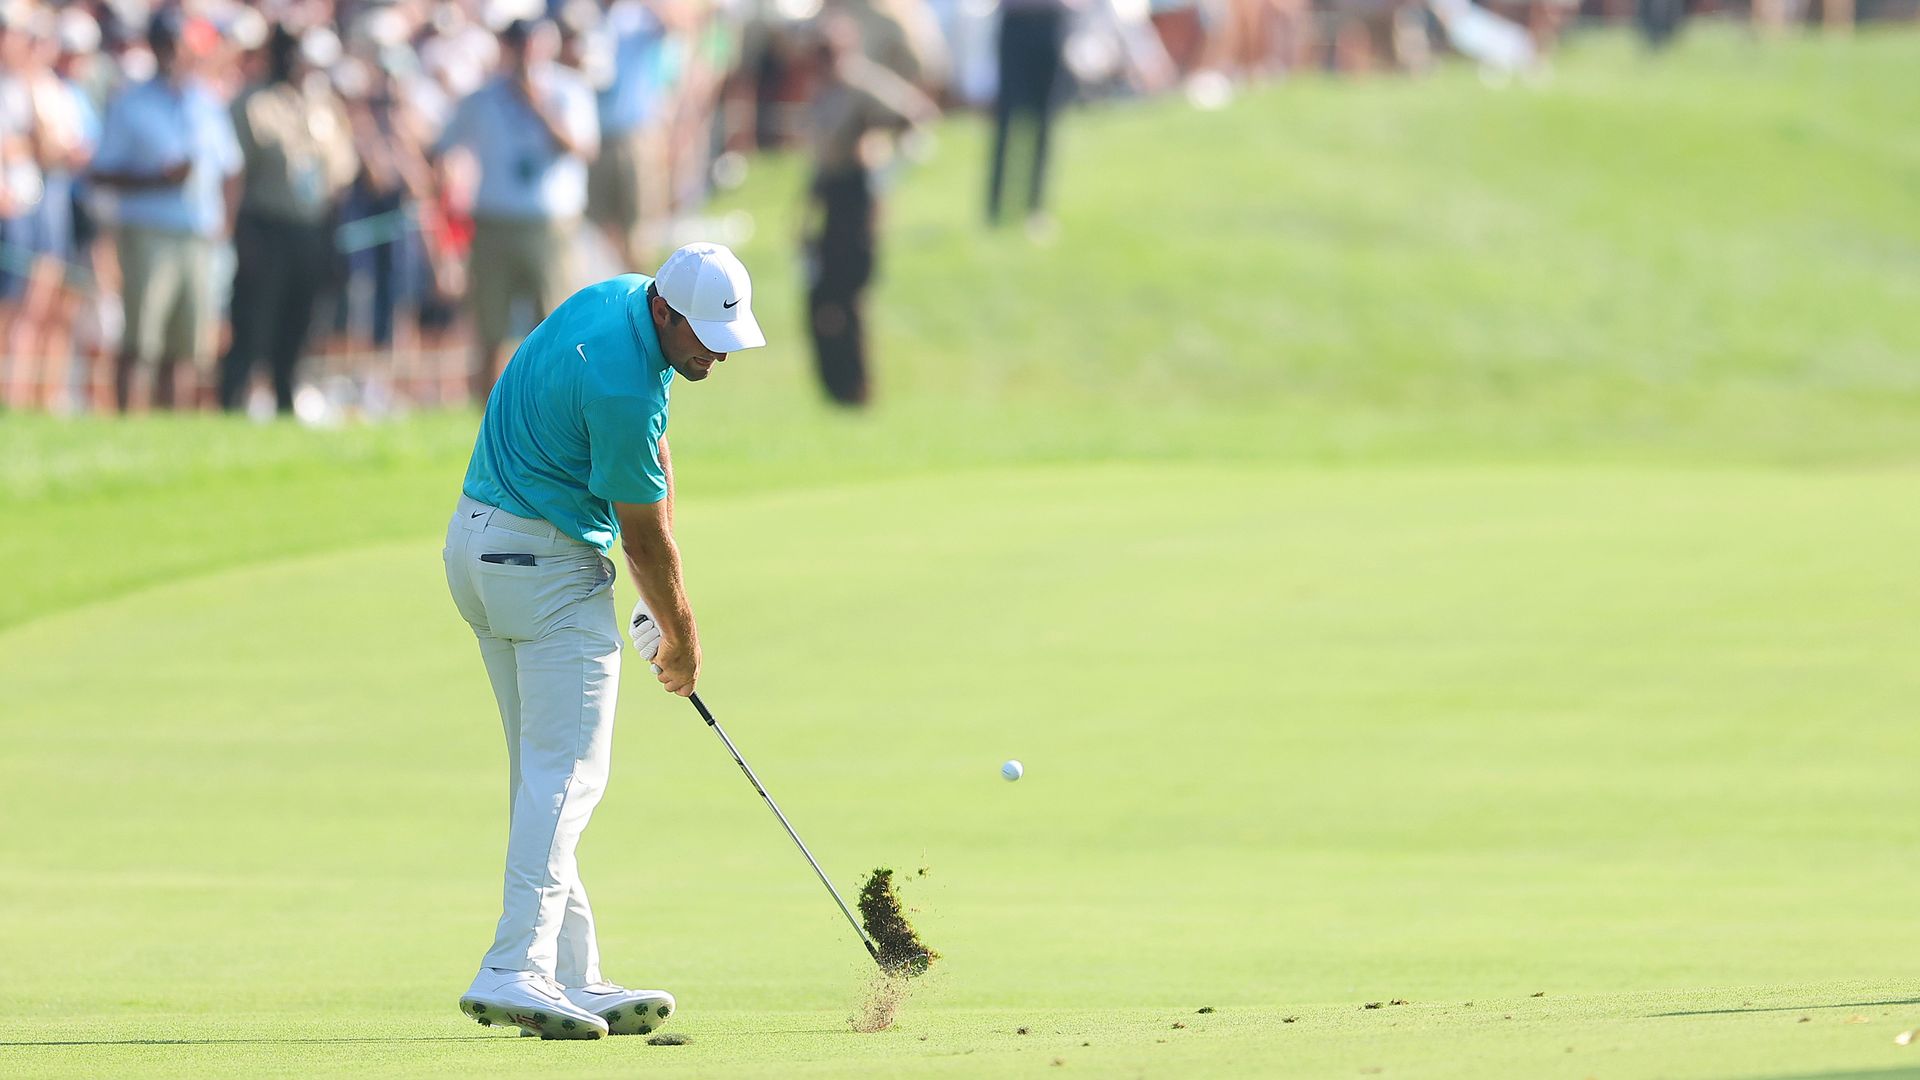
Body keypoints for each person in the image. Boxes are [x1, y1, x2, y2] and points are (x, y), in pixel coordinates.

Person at [444, 242, 765, 1039]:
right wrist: (682, 637)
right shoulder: (624, 380)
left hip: (477, 548)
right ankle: (514, 966)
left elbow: (651, 453)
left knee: (542, 778)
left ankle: (571, 973)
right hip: (544, 567)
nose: (719, 353)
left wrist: (660, 609)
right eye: (707, 336)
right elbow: (643, 540)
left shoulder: (622, 300)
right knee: (568, 777)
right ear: (666, 310)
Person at [434, 17, 600, 401]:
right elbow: (445, 148)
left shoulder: (568, 89)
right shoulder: (483, 97)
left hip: (550, 224)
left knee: (555, 325)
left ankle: (550, 413)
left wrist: (537, 106)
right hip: (495, 222)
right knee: (490, 329)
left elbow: (582, 148)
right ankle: (489, 416)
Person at [89, 10, 240, 411]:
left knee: (187, 343)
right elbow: (100, 173)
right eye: (166, 44)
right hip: (148, 228)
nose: (175, 53)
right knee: (141, 337)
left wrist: (225, 223)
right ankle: (127, 423)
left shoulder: (206, 103)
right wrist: (158, 181)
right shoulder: (130, 103)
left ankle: (172, 427)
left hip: (199, 232)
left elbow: (231, 168)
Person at [217, 25, 359, 414]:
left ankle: (285, 395)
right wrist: (239, 233)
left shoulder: (324, 105)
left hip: (312, 227)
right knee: (253, 320)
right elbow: (237, 173)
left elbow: (341, 171)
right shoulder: (253, 103)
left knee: (300, 319)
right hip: (265, 227)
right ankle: (233, 399)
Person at [801, 14, 937, 406]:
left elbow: (913, 113)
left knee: (849, 296)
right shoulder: (823, 92)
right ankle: (834, 387)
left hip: (856, 195)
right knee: (822, 296)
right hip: (830, 195)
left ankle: (857, 388)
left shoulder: (862, 84)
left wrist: (885, 161)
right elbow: (820, 159)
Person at [987, 0, 1072, 234]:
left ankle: (1036, 207)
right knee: (1005, 121)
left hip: (1050, 19)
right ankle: (994, 207)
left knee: (1046, 121)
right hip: (1016, 21)